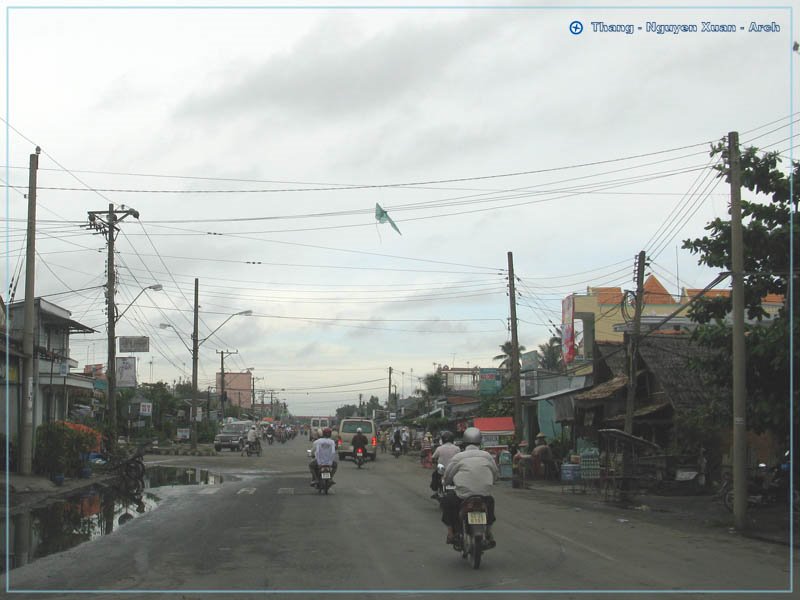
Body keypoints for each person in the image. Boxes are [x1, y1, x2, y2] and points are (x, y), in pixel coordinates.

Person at [441, 427, 499, 547]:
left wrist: (446, 483)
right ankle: (489, 532)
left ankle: (451, 532)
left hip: (463, 495)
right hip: (484, 495)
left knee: (447, 501)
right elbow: (495, 474)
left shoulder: (459, 457)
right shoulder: (487, 456)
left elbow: (448, 476)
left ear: (464, 442)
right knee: (490, 502)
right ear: (480, 442)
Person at [430, 430, 460, 497]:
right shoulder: (457, 448)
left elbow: (433, 457)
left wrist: (434, 462)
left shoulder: (439, 448)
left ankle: (436, 491)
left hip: (442, 470)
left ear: (443, 439)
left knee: (435, 475)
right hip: (454, 470)